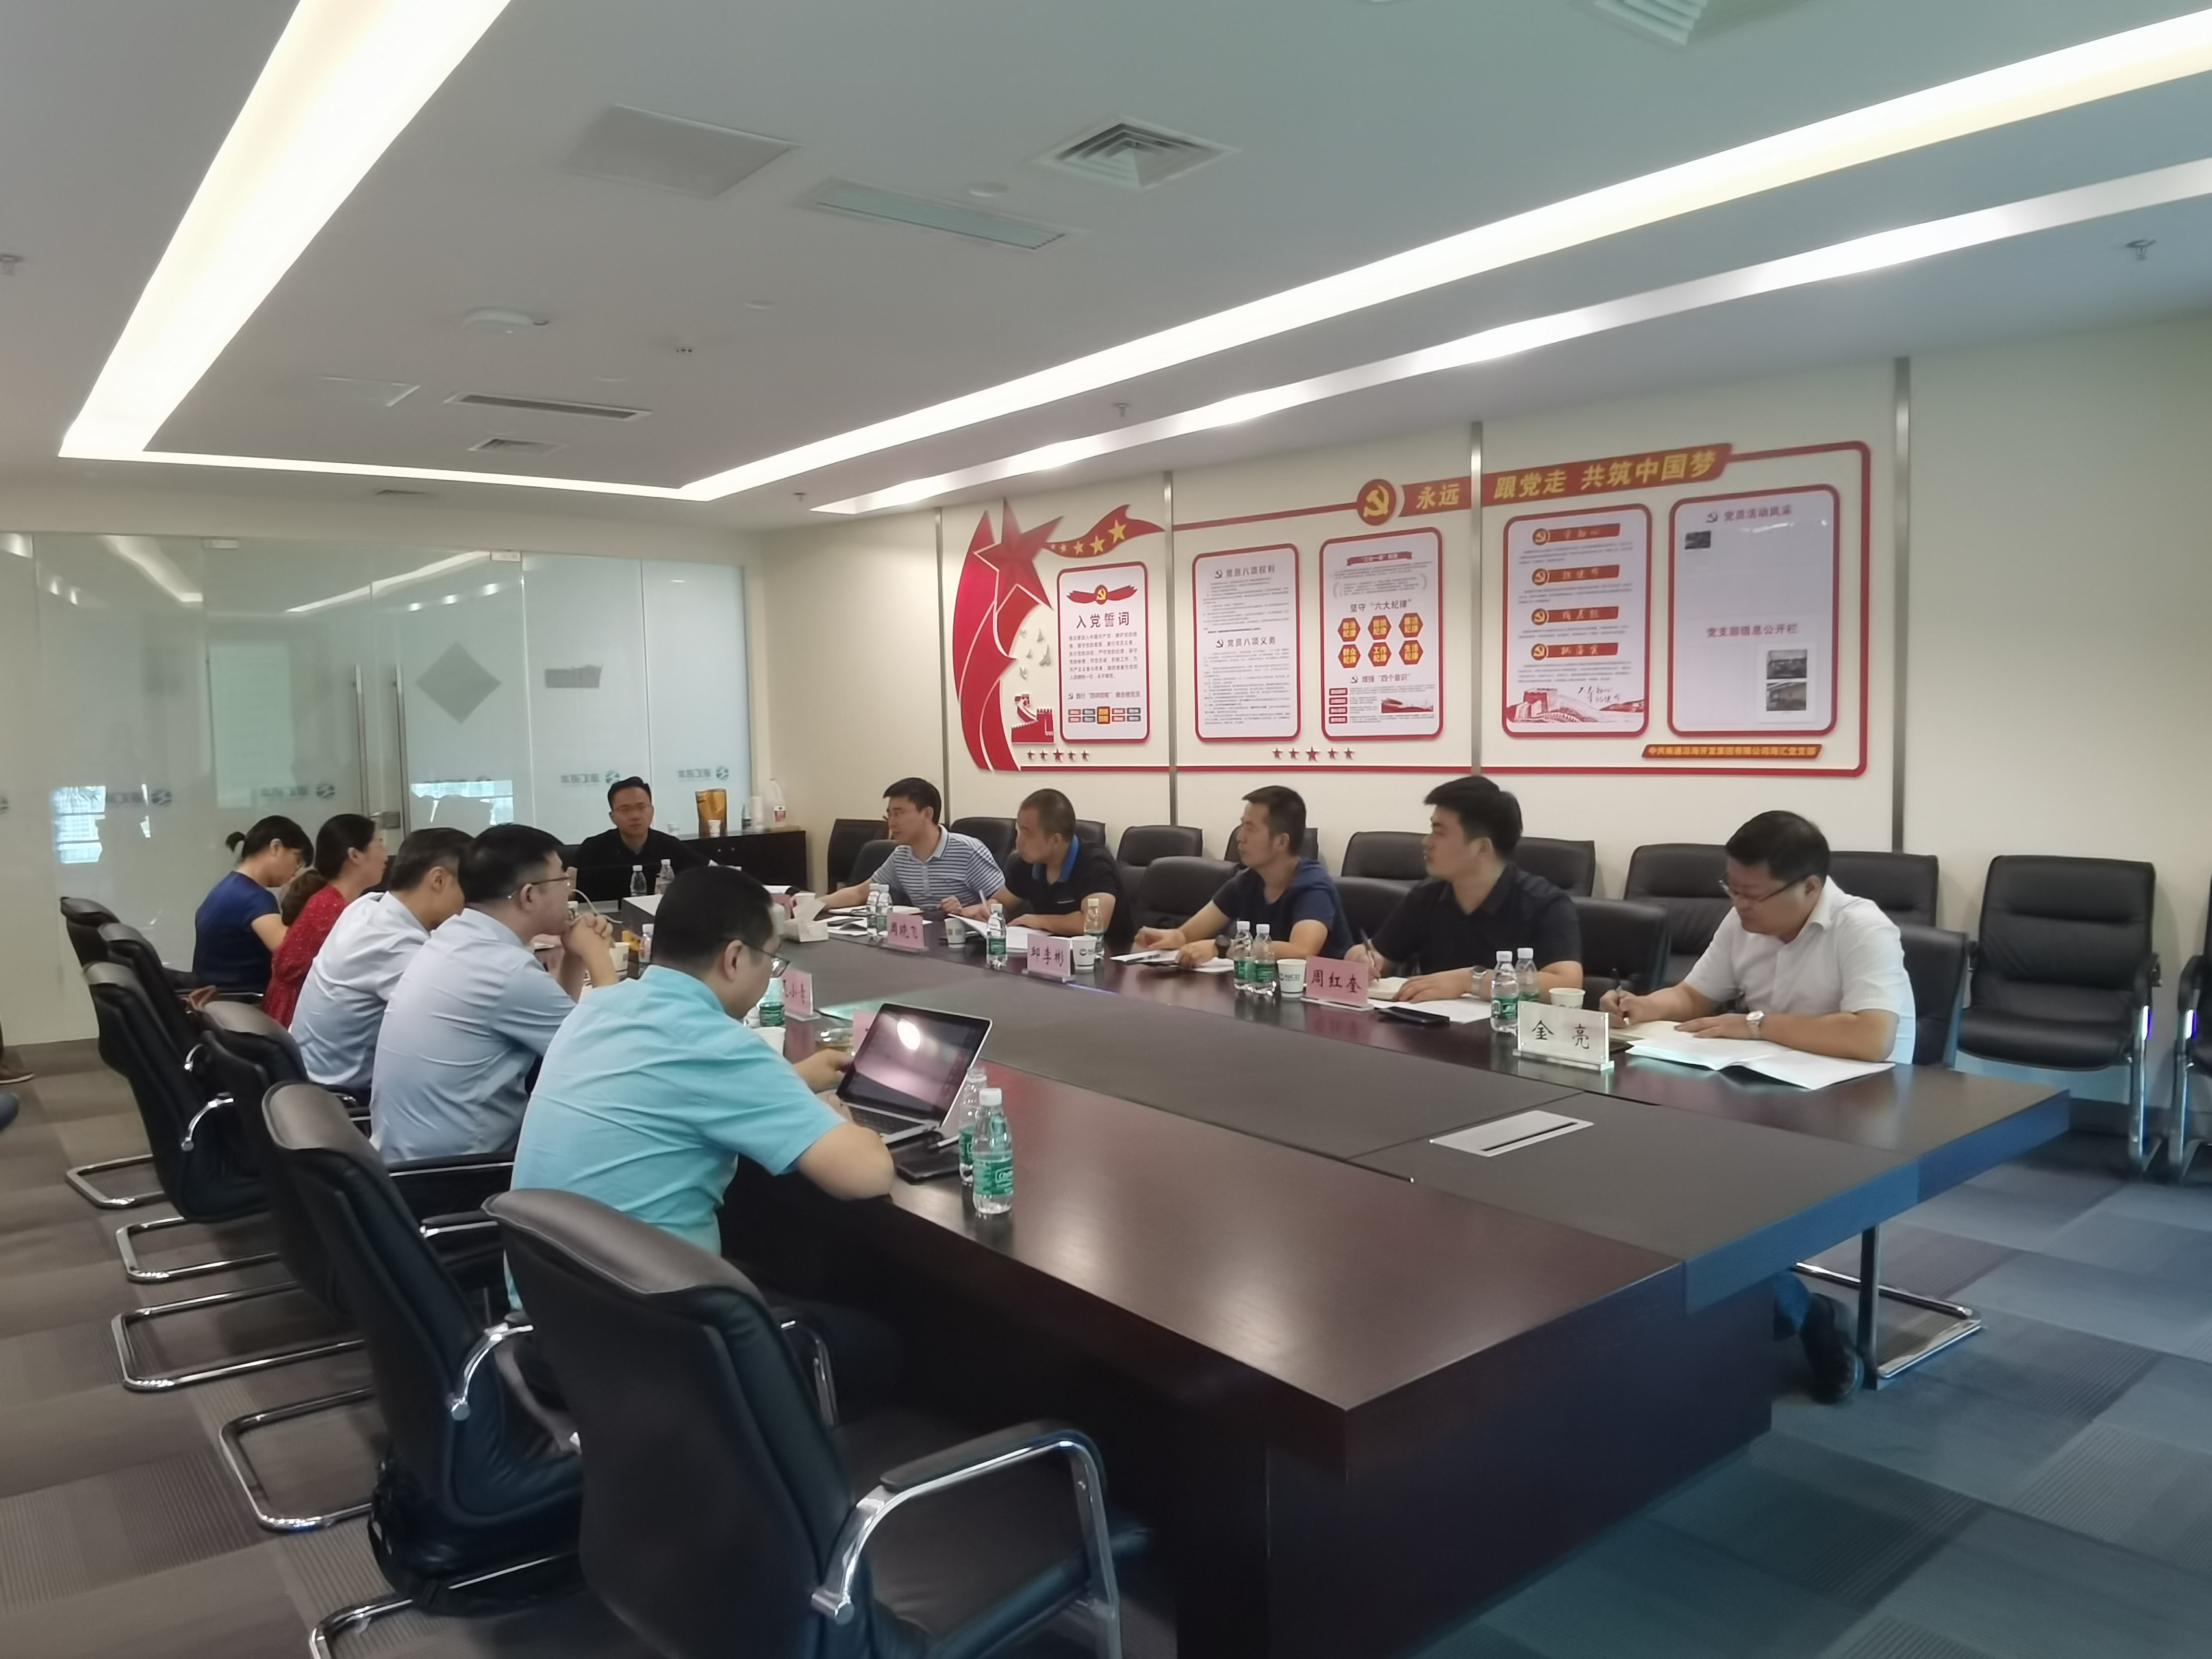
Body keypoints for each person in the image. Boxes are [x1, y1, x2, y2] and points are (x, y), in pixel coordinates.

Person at [1600, 810, 1914, 1405]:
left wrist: (1757, 1024)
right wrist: (1645, 1006)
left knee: (1708, 1205)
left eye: (1753, 894)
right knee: (1650, 1176)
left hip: (1854, 1109)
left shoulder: (1862, 928)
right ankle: (1789, 1307)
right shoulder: (1743, 920)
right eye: (1732, 889)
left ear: (1810, 887)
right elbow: (1696, 994)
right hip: (1763, 1092)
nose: (1740, 905)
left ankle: (1801, 1314)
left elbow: (1872, 1036)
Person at [370, 823, 617, 1162]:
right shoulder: (505, 970)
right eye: (563, 880)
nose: (570, 891)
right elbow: (613, 1056)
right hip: (462, 1174)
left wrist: (574, 957)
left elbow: (564, 1033)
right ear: (529, 896)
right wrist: (598, 956)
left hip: (409, 1161)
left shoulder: (456, 937)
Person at [1348, 778, 1583, 1003]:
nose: (1426, 842)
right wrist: (1363, 959)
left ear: (1482, 848)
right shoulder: (1428, 895)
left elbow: (1567, 983)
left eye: (1439, 832)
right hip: (1432, 1025)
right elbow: (1380, 954)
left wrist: (1471, 981)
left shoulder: (1544, 903)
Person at [291, 828, 472, 1093]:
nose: (471, 902)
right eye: (470, 887)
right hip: (345, 1094)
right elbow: (464, 1016)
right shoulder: (395, 947)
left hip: (309, 1073)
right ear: (439, 880)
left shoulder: (367, 906)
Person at [1135, 786, 1352, 964]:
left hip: (1322, 999)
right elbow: (1187, 935)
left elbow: (1301, 951)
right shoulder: (1247, 882)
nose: (1240, 837)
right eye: (1242, 826)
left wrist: (1222, 948)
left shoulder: (1312, 886)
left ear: (1281, 842)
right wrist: (1169, 938)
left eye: (1251, 828)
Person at [943, 787, 1123, 939]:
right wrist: (991, 909)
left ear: (1056, 840)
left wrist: (1038, 921)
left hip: (1107, 958)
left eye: (1027, 834)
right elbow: (1001, 900)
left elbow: (1095, 923)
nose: (1019, 841)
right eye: (1018, 831)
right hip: (1049, 956)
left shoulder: (1094, 863)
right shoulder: (1026, 863)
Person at [263, 815, 387, 1025]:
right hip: (298, 1014)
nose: (386, 855)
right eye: (380, 844)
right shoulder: (333, 908)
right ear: (355, 855)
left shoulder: (330, 900)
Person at [819, 778, 1001, 912]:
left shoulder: (967, 851)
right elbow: (860, 893)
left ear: (927, 814)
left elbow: (1004, 902)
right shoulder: (901, 856)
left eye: (899, 814)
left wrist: (966, 910)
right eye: (889, 815)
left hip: (967, 941)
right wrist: (815, 904)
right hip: (924, 939)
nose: (892, 823)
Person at [192, 816, 312, 996]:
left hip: (216, 1002)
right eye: (297, 860)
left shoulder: (225, 888)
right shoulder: (255, 899)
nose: (295, 872)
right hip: (245, 1003)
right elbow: (294, 957)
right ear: (276, 848)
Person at [570, 776, 700, 902]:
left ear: (652, 811)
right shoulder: (592, 849)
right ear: (612, 817)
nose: (635, 816)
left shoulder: (671, 846)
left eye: (641, 807)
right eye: (625, 810)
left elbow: (706, 874)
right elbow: (570, 890)